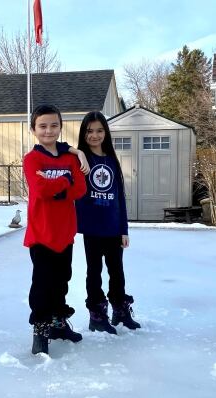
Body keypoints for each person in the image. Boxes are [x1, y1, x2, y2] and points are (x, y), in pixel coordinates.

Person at [23, 104, 87, 355]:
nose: (48, 130)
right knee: (42, 284)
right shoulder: (32, 159)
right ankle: (40, 329)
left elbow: (79, 190)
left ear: (60, 127)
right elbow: (40, 190)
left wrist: (56, 184)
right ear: (34, 130)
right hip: (41, 233)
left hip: (65, 233)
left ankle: (58, 323)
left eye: (54, 125)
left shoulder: (70, 158)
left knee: (62, 281)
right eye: (43, 126)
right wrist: (65, 181)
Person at [74, 111, 140, 334]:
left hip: (113, 227)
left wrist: (123, 228)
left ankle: (120, 311)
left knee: (117, 272)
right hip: (92, 228)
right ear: (83, 133)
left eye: (99, 130)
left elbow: (119, 195)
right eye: (89, 131)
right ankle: (97, 315)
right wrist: (77, 153)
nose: (94, 135)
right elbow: (62, 147)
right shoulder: (80, 159)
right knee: (94, 272)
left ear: (106, 133)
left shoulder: (111, 160)